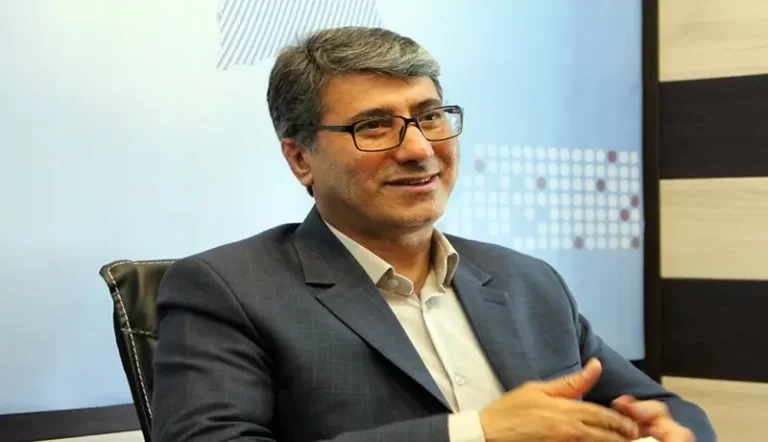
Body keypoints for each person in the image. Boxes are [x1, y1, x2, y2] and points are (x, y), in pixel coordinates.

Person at [152, 26, 716, 442]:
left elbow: (669, 408)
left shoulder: (525, 280)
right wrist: (478, 433)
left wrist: (663, 430)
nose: (420, 148)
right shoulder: (228, 290)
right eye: (374, 126)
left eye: (430, 116)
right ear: (301, 158)